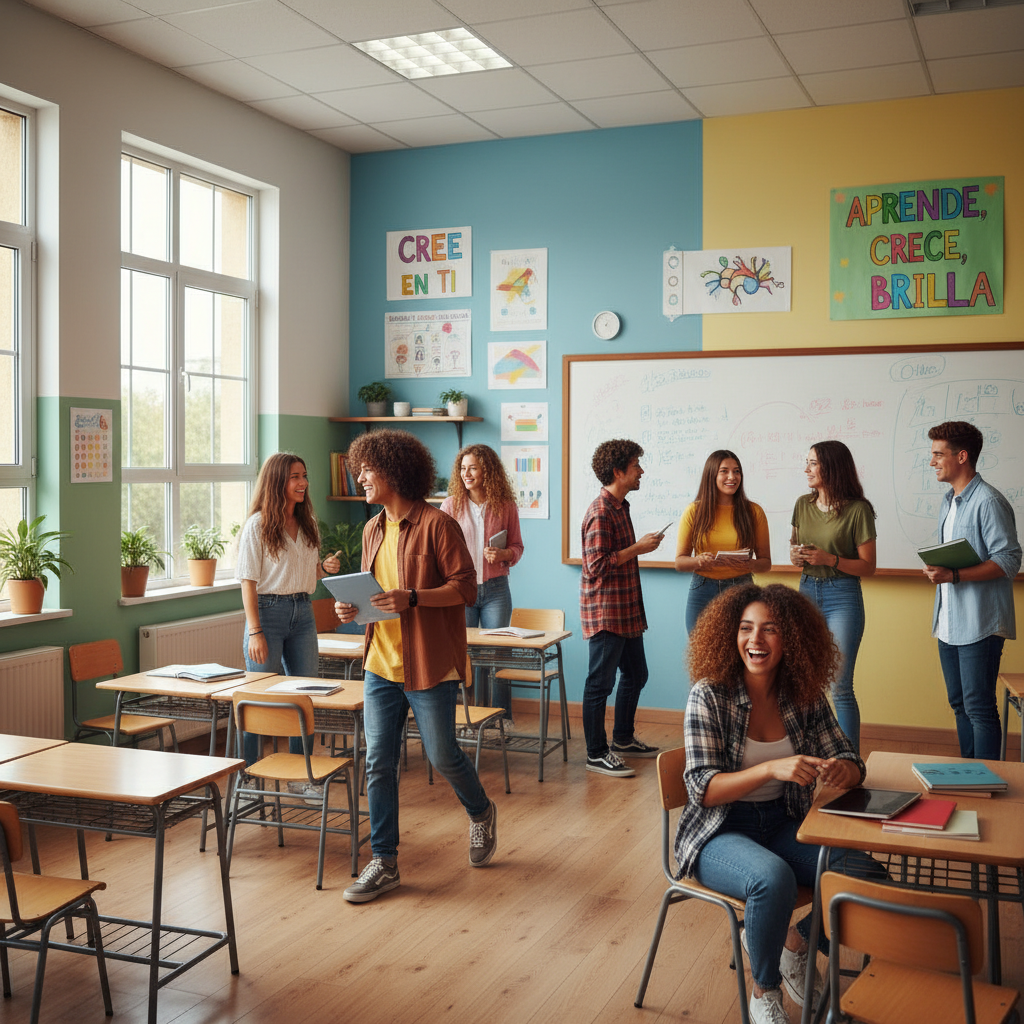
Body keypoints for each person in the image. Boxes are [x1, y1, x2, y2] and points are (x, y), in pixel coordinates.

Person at [676, 583, 879, 1024]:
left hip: (785, 822)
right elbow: (702, 788)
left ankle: (792, 942)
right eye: (746, 628)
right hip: (720, 830)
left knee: (863, 873)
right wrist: (773, 769)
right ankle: (763, 990)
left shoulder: (801, 693)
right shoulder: (708, 694)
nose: (756, 640)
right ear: (731, 635)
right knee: (773, 880)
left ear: (791, 638)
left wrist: (847, 770)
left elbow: (848, 756)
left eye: (770, 630)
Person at [334, 429, 497, 903]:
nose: (360, 477)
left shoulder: (437, 525)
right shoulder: (372, 529)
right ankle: (384, 861)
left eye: (368, 469)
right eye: (359, 469)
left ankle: (481, 811)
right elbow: (374, 594)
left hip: (428, 664)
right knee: (378, 763)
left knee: (442, 754)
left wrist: (413, 598)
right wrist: (352, 608)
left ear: (394, 471)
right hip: (380, 664)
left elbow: (466, 589)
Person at [922, 421, 1020, 760]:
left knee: (979, 706)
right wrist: (942, 570)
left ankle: (989, 782)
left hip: (980, 622)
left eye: (938, 454)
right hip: (950, 621)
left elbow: (1008, 560)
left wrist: (956, 575)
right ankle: (969, 776)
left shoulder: (989, 501)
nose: (932, 461)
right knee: (959, 703)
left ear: (961, 456)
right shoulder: (949, 500)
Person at [237, 453, 340, 769]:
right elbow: (248, 581)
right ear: (277, 481)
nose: (304, 483)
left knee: (304, 697)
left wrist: (323, 568)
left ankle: (302, 769)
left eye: (304, 475)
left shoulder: (308, 524)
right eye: (296, 477)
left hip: (302, 612)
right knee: (260, 697)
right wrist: (255, 631)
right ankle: (249, 772)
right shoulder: (258, 525)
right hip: (267, 614)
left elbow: (302, 572)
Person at [580, 438, 663, 777]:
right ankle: (596, 753)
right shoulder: (601, 512)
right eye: (635, 467)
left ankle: (623, 739)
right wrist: (637, 548)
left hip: (625, 610)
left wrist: (636, 547)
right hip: (607, 613)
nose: (641, 471)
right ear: (618, 472)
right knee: (599, 684)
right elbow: (595, 566)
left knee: (636, 674)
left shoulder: (620, 506)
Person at [789, 440, 876, 753]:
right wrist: (797, 557)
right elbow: (795, 548)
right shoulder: (802, 504)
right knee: (805, 682)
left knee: (840, 686)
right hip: (806, 592)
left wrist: (831, 560)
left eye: (813, 463)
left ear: (831, 467)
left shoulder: (858, 510)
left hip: (843, 595)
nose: (807, 469)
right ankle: (808, 757)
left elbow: (868, 566)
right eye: (807, 462)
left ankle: (850, 762)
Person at [441, 443, 524, 719]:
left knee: (497, 655)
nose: (467, 474)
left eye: (473, 468)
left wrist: (504, 554)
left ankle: (500, 719)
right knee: (458, 655)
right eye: (463, 469)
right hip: (460, 591)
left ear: (487, 470)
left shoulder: (505, 505)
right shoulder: (450, 505)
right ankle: (458, 718)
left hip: (496, 590)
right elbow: (439, 549)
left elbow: (517, 547)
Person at [675, 449, 772, 634]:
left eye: (737, 471)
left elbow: (765, 563)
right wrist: (698, 561)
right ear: (712, 475)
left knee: (739, 654)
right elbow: (680, 562)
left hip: (742, 588)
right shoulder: (694, 511)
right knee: (702, 656)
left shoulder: (754, 512)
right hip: (703, 589)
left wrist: (749, 564)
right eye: (724, 471)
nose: (732, 477)